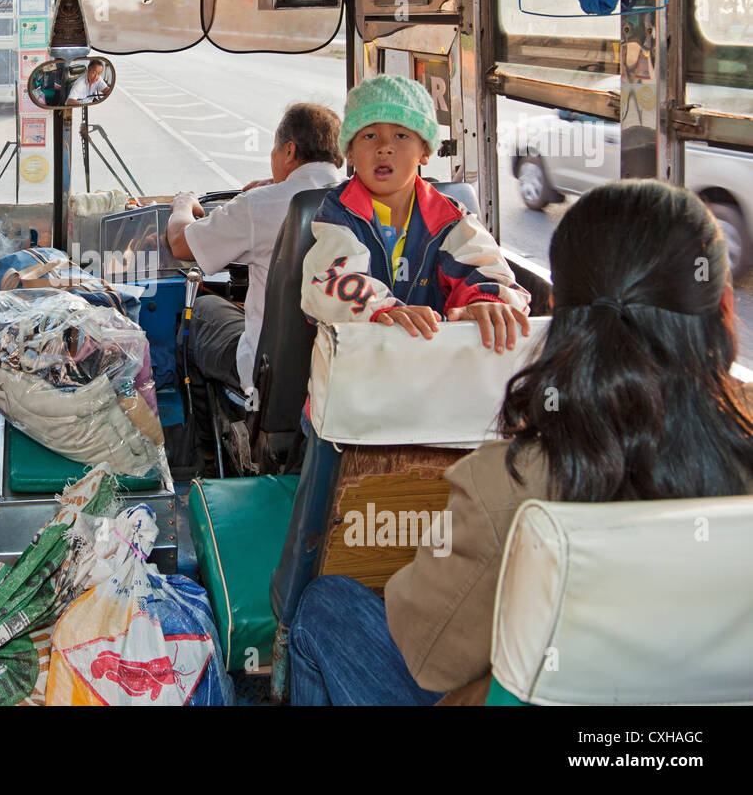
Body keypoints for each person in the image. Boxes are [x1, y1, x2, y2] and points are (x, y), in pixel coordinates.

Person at [288, 179, 753, 704]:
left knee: (324, 603)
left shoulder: (513, 478)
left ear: (560, 311)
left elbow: (426, 649)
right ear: (721, 306)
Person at [300, 75, 531, 371]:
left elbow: (485, 266)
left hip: (432, 378)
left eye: (401, 135)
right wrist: (381, 310)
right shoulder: (339, 214)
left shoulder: (449, 219)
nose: (384, 147)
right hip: (352, 385)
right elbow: (330, 282)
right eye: (369, 135)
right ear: (351, 152)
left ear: (425, 150)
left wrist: (486, 302)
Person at [166, 103, 343, 460]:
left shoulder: (260, 205)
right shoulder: (357, 197)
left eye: (276, 148)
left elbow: (182, 243)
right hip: (335, 373)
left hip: (264, 373)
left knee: (198, 312)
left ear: (290, 150)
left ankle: (207, 455)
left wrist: (182, 206)